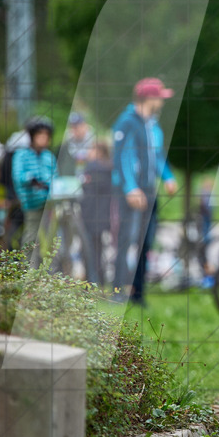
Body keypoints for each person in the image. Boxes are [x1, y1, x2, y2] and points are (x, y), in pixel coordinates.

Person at [112, 78, 178, 306]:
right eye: (160, 97)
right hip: (131, 193)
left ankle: (138, 293)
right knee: (125, 241)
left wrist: (168, 177)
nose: (162, 101)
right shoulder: (127, 122)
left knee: (145, 242)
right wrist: (130, 188)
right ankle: (118, 291)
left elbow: (157, 156)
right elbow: (121, 157)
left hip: (150, 192)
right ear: (149, 98)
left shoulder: (153, 125)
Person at [11, 116, 57, 259]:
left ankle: (50, 272)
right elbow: (18, 176)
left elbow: (55, 177)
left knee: (52, 238)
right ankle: (27, 270)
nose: (43, 138)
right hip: (31, 203)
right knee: (31, 236)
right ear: (32, 136)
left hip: (49, 203)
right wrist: (31, 179)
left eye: (46, 135)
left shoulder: (48, 156)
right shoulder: (21, 155)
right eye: (40, 135)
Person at [80, 141, 113, 287]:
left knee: (88, 251)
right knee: (99, 250)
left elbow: (84, 190)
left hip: (90, 215)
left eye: (91, 149)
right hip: (103, 216)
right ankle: (100, 280)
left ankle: (91, 282)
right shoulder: (110, 168)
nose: (88, 152)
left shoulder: (92, 167)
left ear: (98, 151)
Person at [61, 112, 95, 176]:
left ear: (84, 125)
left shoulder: (93, 138)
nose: (74, 130)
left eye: (77, 127)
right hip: (72, 174)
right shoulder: (67, 138)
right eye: (72, 127)